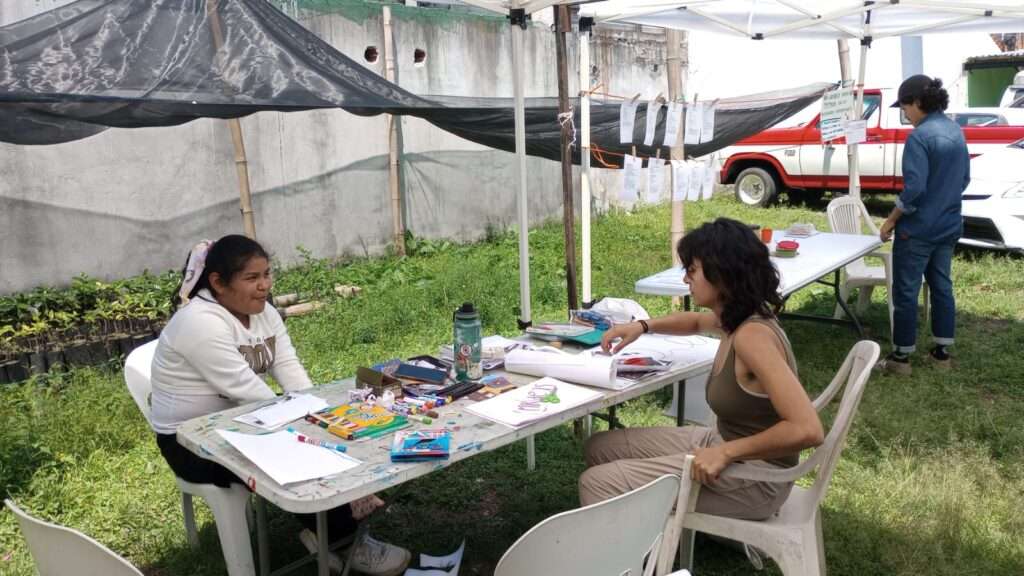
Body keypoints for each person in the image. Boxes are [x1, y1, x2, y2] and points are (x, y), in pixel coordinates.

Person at [150, 234, 410, 576]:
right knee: (295, 453)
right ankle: (345, 541)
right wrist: (311, 431)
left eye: (267, 274)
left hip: (240, 422)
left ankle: (328, 532)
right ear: (218, 283)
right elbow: (247, 391)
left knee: (321, 437)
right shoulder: (199, 322)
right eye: (251, 278)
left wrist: (321, 417)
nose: (264, 286)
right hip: (190, 443)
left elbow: (290, 369)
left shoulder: (264, 313)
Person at [582, 218, 824, 525]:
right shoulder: (738, 317)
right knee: (600, 447)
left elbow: (808, 429)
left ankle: (631, 552)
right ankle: (646, 534)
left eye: (692, 270)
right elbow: (694, 321)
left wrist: (726, 452)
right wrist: (642, 326)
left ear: (721, 274)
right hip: (724, 443)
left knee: (597, 483)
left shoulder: (753, 337)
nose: (686, 279)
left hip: (758, 479)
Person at [877, 75, 970, 375]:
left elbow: (915, 189)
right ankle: (941, 354)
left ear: (917, 102)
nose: (905, 115)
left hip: (917, 230)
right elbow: (964, 179)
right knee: (942, 286)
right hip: (949, 224)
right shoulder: (955, 131)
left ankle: (901, 358)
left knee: (906, 291)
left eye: (905, 108)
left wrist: (891, 219)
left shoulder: (919, 137)